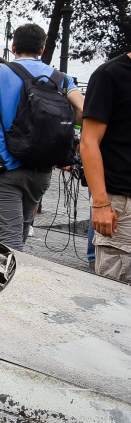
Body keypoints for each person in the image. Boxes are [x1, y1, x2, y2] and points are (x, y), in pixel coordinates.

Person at [0, 23, 83, 251]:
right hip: (41, 171)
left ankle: (14, 285)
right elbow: (82, 110)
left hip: (6, 167)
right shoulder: (61, 78)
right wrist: (73, 136)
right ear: (42, 49)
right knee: (20, 234)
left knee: (11, 246)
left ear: (13, 47)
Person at [80, 49, 131, 283]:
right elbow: (89, 141)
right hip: (122, 203)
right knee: (117, 297)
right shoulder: (110, 74)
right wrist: (100, 203)